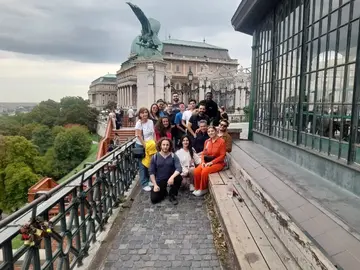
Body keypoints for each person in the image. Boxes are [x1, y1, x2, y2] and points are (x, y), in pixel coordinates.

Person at [193, 126, 226, 196]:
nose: (210, 133)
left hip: (218, 163)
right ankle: (197, 187)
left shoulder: (221, 141)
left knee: (205, 171)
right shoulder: (207, 141)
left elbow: (222, 156)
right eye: (209, 131)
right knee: (196, 171)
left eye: (212, 131)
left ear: (216, 131)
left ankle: (203, 189)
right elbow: (203, 153)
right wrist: (202, 162)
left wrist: (212, 162)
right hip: (207, 162)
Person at [149, 138, 182, 205]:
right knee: (154, 199)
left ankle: (172, 195)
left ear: (169, 146)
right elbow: (151, 172)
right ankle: (164, 192)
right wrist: (155, 185)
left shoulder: (173, 156)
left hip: (170, 179)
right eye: (163, 145)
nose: (165, 147)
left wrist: (172, 177)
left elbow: (179, 168)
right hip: (160, 180)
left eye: (167, 145)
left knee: (179, 178)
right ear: (160, 146)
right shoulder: (155, 157)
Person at [135, 107, 155, 191]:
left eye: (146, 112)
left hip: (150, 145)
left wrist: (155, 143)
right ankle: (144, 183)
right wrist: (145, 146)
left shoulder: (150, 121)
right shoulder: (139, 123)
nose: (145, 114)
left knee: (149, 163)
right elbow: (138, 136)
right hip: (141, 145)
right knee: (142, 164)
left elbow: (153, 133)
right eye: (142, 113)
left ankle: (148, 180)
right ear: (140, 114)